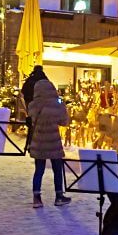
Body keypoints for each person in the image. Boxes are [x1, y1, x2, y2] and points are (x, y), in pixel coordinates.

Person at [27, 78, 71, 208]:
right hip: (53, 142)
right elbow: (64, 122)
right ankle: (59, 196)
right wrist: (62, 106)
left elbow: (31, 120)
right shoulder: (57, 104)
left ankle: (36, 198)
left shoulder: (32, 105)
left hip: (38, 141)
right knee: (57, 169)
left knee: (39, 170)